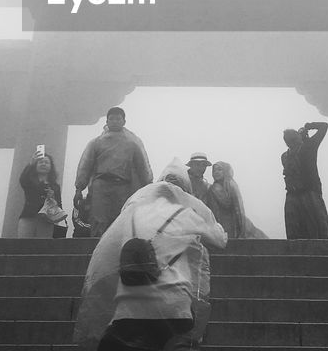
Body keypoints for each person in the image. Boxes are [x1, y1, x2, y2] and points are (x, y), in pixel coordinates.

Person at [73, 161, 228, 351]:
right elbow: (219, 240)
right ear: (184, 191)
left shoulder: (132, 212)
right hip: (175, 306)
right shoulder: (185, 213)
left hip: (129, 305)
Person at [75, 106, 152, 236]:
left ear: (124, 122)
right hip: (101, 184)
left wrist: (148, 187)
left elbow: (142, 167)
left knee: (121, 218)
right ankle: (96, 248)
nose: (115, 121)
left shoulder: (133, 143)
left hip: (123, 186)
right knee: (98, 218)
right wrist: (79, 188)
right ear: (107, 122)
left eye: (118, 119)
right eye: (111, 119)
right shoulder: (96, 143)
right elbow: (85, 165)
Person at [281, 121, 328, 239]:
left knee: (295, 232)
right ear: (297, 138)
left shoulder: (284, 156)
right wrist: (309, 126)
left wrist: (302, 135)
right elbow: (324, 126)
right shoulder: (309, 147)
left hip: (292, 197)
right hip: (310, 195)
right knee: (318, 229)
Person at [203, 161, 267, 240]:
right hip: (220, 225)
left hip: (233, 225)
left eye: (219, 169)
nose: (216, 172)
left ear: (226, 171)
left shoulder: (231, 185)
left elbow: (239, 209)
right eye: (214, 170)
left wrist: (241, 229)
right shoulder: (213, 188)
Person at [16, 149, 67, 238]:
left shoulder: (55, 186)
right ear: (35, 166)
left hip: (47, 220)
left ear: (51, 167)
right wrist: (30, 163)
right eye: (40, 162)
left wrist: (57, 215)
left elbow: (59, 204)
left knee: (43, 247)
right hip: (28, 217)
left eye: (46, 162)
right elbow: (23, 179)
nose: (43, 164)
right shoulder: (29, 181)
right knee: (23, 246)